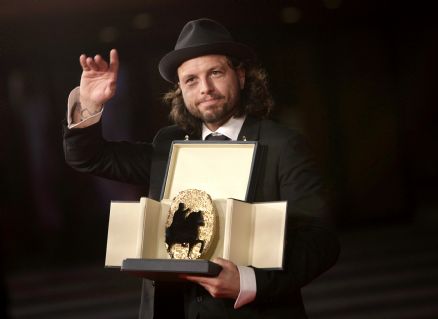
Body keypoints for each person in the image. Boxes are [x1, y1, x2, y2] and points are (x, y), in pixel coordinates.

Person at [63, 18, 339, 319]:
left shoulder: (283, 145)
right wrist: (88, 106)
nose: (205, 88)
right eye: (191, 80)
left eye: (216, 73)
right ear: (180, 89)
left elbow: (321, 241)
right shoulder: (168, 143)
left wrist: (249, 281)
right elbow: (88, 157)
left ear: (242, 76)